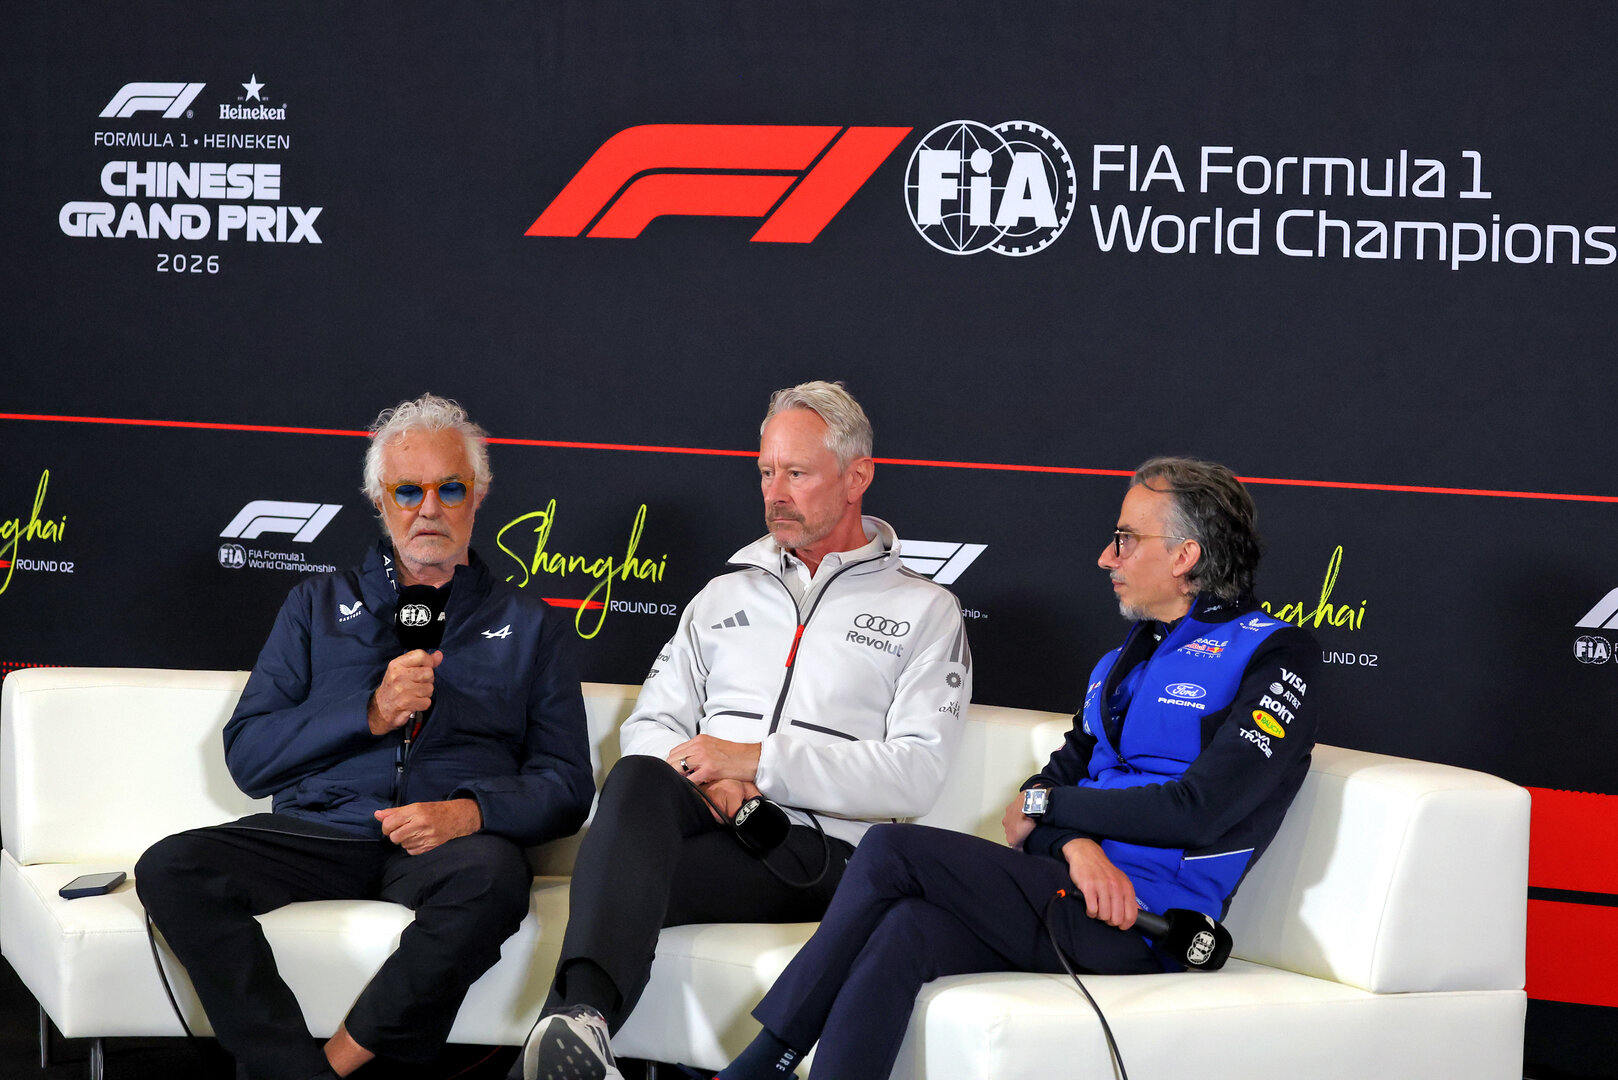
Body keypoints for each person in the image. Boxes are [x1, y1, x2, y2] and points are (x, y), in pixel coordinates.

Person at [712, 456, 1320, 1080]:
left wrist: (1051, 811)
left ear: (1184, 556)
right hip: (1060, 890)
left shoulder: (1273, 654)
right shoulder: (1117, 664)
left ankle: (760, 1066)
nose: (1106, 559)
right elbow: (1036, 798)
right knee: (905, 929)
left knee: (892, 851)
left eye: (1125, 540)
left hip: (1143, 922)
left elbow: (1199, 811)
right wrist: (1076, 840)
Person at [511, 381, 974, 1080]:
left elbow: (917, 773)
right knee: (639, 780)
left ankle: (574, 1030)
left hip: (821, 857)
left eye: (797, 473)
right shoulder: (722, 595)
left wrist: (758, 764)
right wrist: (717, 783)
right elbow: (651, 727)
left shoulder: (925, 609)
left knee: (625, 886)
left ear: (857, 477)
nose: (775, 492)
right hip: (711, 825)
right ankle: (585, 1027)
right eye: (765, 471)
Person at [136, 393, 594, 1080]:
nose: (428, 508)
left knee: (496, 879)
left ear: (480, 495)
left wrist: (469, 812)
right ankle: (291, 1070)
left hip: (444, 843)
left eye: (449, 488)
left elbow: (566, 785)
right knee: (170, 868)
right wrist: (369, 712)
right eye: (408, 490)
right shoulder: (314, 604)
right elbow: (250, 756)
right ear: (379, 500)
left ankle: (336, 1065)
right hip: (323, 833)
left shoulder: (532, 627)